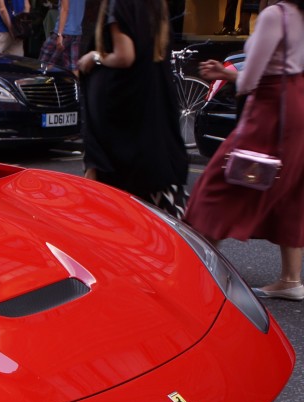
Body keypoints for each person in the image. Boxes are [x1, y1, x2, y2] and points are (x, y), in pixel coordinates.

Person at [184, 0, 303, 299]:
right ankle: (291, 279)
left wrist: (229, 77)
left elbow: (253, 77)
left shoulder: (275, 15)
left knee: (219, 182)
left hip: (271, 108)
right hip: (297, 105)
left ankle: (197, 270)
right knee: (288, 189)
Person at [76, 0, 188, 216]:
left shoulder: (119, 4)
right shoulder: (156, 5)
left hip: (119, 116)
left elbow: (125, 56)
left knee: (106, 192)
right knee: (150, 204)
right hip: (151, 111)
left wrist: (94, 56)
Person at [39, 0, 85, 70]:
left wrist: (59, 34)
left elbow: (65, 9)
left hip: (64, 31)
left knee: (44, 62)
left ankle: (40, 79)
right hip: (76, 31)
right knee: (73, 67)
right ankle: (76, 81)